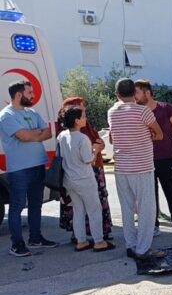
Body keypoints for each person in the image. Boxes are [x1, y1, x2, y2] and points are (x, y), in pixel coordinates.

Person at [0, 80, 58, 256]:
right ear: (19, 95)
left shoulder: (32, 112)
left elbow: (48, 132)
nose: (33, 95)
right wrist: (34, 135)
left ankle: (35, 238)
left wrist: (31, 135)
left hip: (37, 165)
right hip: (19, 169)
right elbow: (23, 136)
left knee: (36, 204)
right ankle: (17, 244)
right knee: (17, 206)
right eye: (30, 92)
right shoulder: (6, 116)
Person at [108, 78, 163, 259]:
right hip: (142, 166)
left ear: (117, 95)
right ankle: (143, 248)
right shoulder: (143, 111)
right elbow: (159, 134)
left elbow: (112, 138)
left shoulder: (112, 112)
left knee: (127, 208)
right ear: (135, 93)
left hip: (121, 167)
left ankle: (131, 245)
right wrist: (146, 136)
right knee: (147, 209)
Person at [133, 80, 172, 237]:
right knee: (149, 196)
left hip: (167, 158)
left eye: (137, 92)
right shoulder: (136, 111)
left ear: (147, 93)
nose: (134, 96)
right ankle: (154, 225)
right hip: (146, 160)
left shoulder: (167, 109)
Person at [57, 105, 115, 252]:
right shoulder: (83, 138)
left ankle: (81, 240)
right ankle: (99, 241)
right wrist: (96, 150)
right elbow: (88, 159)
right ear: (76, 120)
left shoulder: (62, 136)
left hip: (69, 180)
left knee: (78, 210)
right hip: (84, 179)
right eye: (83, 116)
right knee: (94, 210)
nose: (85, 118)